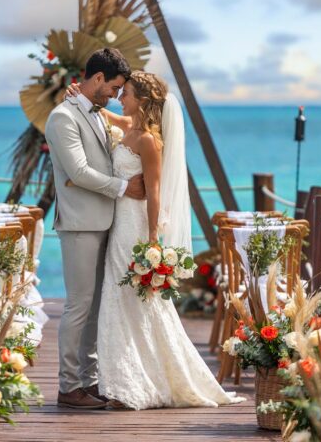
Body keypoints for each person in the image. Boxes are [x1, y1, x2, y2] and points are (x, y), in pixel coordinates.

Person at [67, 71, 245, 410]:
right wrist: (79, 94)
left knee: (132, 300)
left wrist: (151, 239)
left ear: (143, 101)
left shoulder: (149, 139)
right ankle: (124, 379)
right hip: (118, 223)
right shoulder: (129, 128)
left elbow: (155, 193)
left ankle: (132, 385)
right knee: (119, 300)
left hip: (134, 227)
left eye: (128, 93)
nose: (121, 97)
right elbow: (105, 113)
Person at [45, 48, 146, 409]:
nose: (117, 95)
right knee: (78, 305)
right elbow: (78, 172)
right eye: (115, 87)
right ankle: (68, 385)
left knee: (95, 307)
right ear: (98, 78)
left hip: (108, 222)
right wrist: (124, 188)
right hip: (80, 225)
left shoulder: (97, 113)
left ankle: (87, 381)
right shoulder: (62, 118)